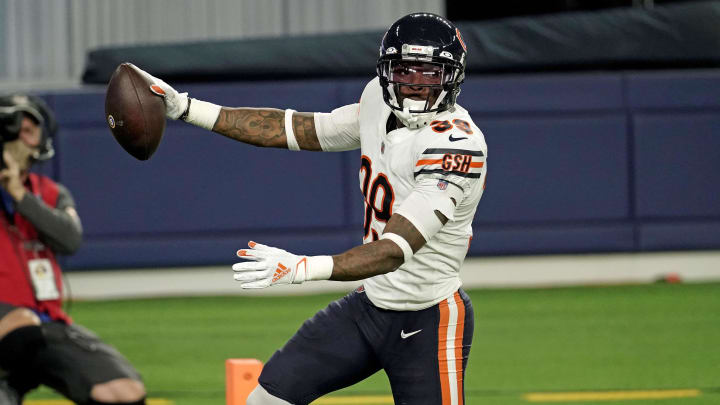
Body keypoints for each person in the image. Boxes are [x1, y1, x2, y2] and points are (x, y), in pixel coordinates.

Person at [141, 12, 486, 405]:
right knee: (265, 400)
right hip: (370, 304)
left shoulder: (457, 146)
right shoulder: (377, 98)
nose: (414, 84)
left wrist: (302, 269)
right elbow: (299, 129)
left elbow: (394, 250)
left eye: (429, 73)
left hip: (431, 317)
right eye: (405, 70)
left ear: (452, 77)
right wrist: (186, 108)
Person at [0, 94, 147, 405]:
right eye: (16, 128)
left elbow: (70, 240)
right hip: (10, 324)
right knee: (21, 326)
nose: (24, 137)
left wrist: (19, 195)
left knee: (122, 393)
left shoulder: (50, 193)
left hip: (47, 325)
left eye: (31, 129)